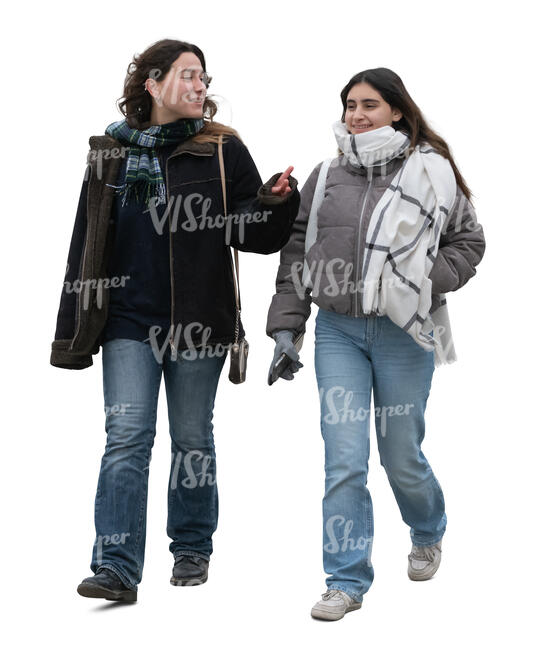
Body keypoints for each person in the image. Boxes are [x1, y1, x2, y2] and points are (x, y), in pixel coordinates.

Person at [50, 38, 300, 602]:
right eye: (188, 76)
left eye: (205, 79)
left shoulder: (222, 150)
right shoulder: (109, 154)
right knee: (126, 438)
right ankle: (115, 567)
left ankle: (191, 546)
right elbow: (85, 244)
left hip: (199, 322)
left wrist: (276, 201)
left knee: (191, 439)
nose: (199, 88)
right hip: (127, 323)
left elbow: (252, 233)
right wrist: (71, 330)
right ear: (152, 83)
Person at [266, 67, 485, 621]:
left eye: (368, 105)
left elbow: (469, 240)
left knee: (399, 455)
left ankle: (427, 529)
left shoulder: (432, 173)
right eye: (349, 106)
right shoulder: (327, 174)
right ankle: (345, 580)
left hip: (404, 332)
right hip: (338, 330)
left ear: (396, 111)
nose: (356, 115)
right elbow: (297, 248)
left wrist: (422, 282)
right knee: (343, 459)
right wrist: (287, 328)